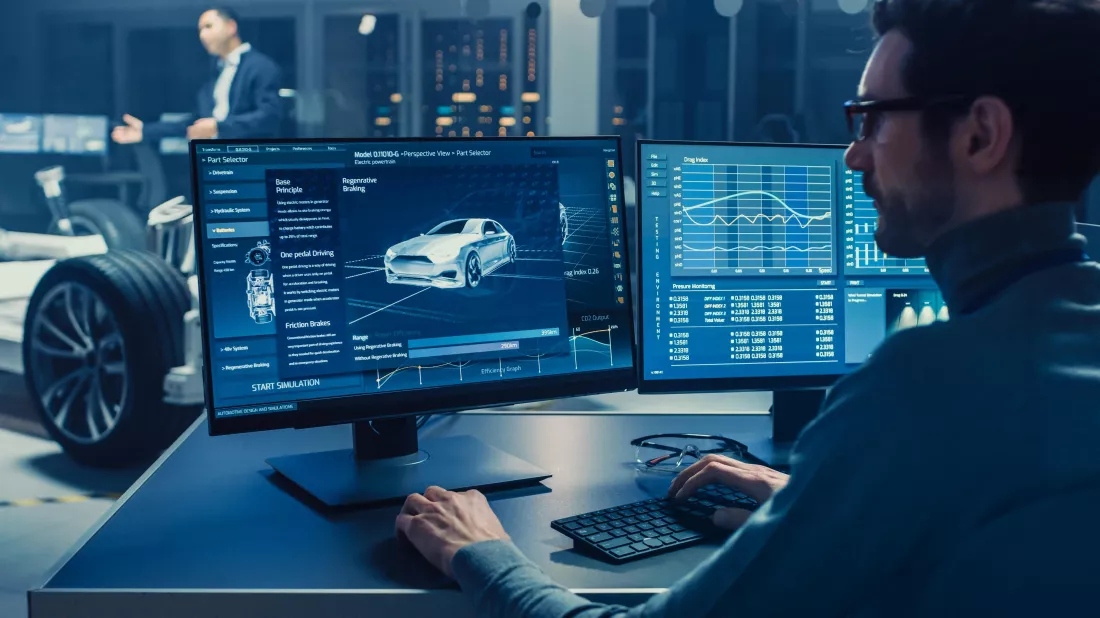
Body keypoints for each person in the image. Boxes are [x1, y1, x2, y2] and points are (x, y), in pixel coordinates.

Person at [394, 0, 1100, 615]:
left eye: (873, 119)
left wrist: (480, 551)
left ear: (979, 134)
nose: (854, 157)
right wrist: (817, 501)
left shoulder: (929, 384)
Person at [111, 7, 283, 145]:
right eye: (200, 30)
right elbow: (196, 122)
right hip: (216, 161)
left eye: (208, 26)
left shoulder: (261, 66)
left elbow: (269, 116)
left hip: (249, 162)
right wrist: (146, 131)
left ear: (231, 27)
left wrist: (218, 127)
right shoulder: (216, 75)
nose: (202, 35)